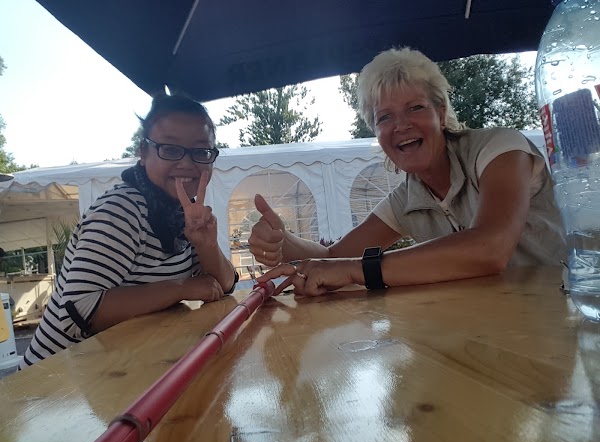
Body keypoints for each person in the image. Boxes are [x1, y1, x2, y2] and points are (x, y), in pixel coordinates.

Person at [250, 47, 566, 296]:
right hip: (492, 330)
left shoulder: (499, 149)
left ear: (440, 113)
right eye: (384, 117)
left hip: (564, 318)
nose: (401, 125)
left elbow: (490, 248)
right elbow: (333, 259)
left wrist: (358, 270)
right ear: (376, 132)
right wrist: (283, 241)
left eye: (415, 107)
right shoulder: (406, 199)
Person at [21, 94, 238, 367]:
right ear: (143, 152)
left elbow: (223, 285)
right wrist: (180, 288)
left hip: (122, 370)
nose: (186, 163)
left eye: (200, 151)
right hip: (55, 380)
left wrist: (207, 246)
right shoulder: (121, 209)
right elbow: (79, 311)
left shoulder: (183, 214)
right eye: (170, 149)